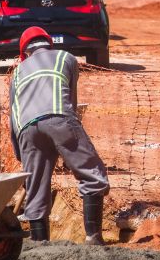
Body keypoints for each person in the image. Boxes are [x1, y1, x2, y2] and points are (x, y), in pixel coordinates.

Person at [9, 27, 110, 244]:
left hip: (26, 131)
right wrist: (68, 137)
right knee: (92, 173)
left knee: (35, 188)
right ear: (48, 44)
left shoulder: (17, 72)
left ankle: (39, 243)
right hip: (59, 118)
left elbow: (13, 116)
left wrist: (23, 155)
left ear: (24, 52)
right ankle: (93, 237)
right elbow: (70, 101)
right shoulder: (66, 58)